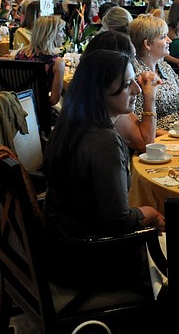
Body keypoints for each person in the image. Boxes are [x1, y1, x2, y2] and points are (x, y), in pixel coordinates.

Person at [43, 49, 165, 289]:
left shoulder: (70, 125)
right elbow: (118, 221)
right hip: (90, 261)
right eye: (127, 84)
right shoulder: (103, 139)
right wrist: (149, 212)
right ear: (100, 91)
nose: (137, 90)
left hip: (60, 249)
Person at [118, 15, 179, 151]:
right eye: (163, 37)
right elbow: (137, 124)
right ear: (147, 44)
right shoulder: (134, 76)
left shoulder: (165, 67)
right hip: (157, 144)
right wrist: (176, 137)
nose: (170, 40)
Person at [14, 15, 67, 110]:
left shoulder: (21, 54)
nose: (64, 35)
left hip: (18, 109)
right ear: (50, 34)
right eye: (61, 31)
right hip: (41, 114)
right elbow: (54, 100)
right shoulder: (57, 63)